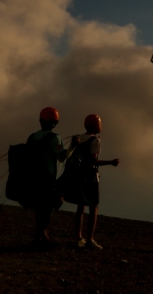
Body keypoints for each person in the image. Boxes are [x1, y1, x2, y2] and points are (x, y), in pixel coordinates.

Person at [67, 114, 119, 250]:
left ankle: (78, 238)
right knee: (93, 207)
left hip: (78, 176)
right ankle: (90, 239)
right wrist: (111, 162)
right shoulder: (95, 141)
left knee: (80, 207)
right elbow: (93, 160)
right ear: (97, 126)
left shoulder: (77, 138)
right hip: (91, 177)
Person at [28, 107, 76, 247]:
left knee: (39, 208)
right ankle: (41, 236)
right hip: (47, 178)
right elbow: (62, 157)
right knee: (46, 208)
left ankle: (41, 236)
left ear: (40, 121)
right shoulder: (55, 138)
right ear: (55, 123)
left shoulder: (32, 137)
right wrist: (73, 146)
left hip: (32, 177)